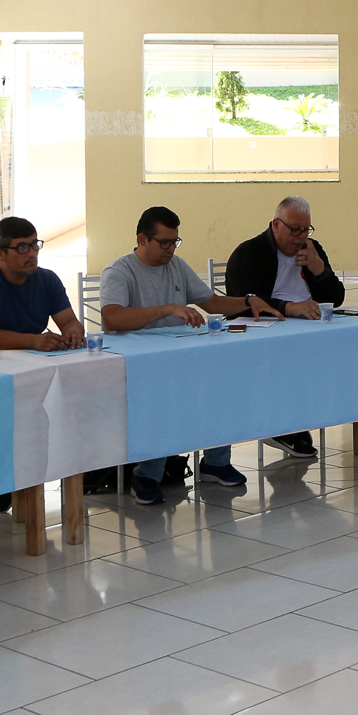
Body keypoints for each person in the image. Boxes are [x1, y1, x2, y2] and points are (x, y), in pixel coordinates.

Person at [102, 206, 277, 503]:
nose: (170, 249)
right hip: (141, 363)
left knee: (222, 385)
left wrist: (248, 301)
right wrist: (168, 308)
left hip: (182, 355)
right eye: (164, 243)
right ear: (143, 239)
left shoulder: (177, 266)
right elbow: (113, 319)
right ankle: (146, 474)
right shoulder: (120, 271)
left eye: (175, 242)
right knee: (162, 403)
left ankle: (215, 463)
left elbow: (211, 303)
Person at [0, 216, 85, 512]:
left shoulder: (47, 279)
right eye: (22, 248)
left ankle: (47, 473)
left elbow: (69, 320)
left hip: (35, 373)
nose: (31, 254)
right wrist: (33, 340)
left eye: (34, 245)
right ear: (0, 253)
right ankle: (1, 481)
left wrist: (72, 331)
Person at [221, 195, 349, 458]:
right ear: (276, 225)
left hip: (308, 327)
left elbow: (336, 298)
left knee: (341, 352)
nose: (301, 237)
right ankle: (280, 423)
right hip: (267, 329)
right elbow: (242, 301)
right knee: (287, 355)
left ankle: (303, 417)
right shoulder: (248, 253)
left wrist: (319, 269)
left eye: (306, 229)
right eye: (295, 230)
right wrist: (288, 308)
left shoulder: (312, 249)